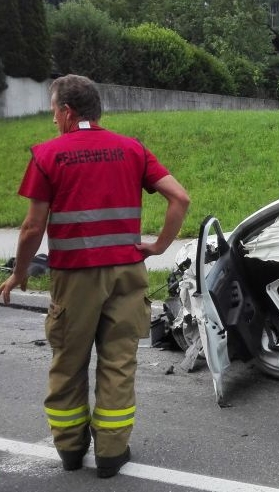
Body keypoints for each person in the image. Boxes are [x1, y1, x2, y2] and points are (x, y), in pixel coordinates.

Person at [0, 75, 190, 478]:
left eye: (54, 111)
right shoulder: (132, 149)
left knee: (68, 362)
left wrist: (19, 274)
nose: (53, 119)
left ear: (67, 111)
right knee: (118, 362)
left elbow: (33, 228)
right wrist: (158, 247)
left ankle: (70, 451)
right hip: (127, 274)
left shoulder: (47, 155)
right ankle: (110, 454)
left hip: (75, 278)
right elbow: (180, 197)